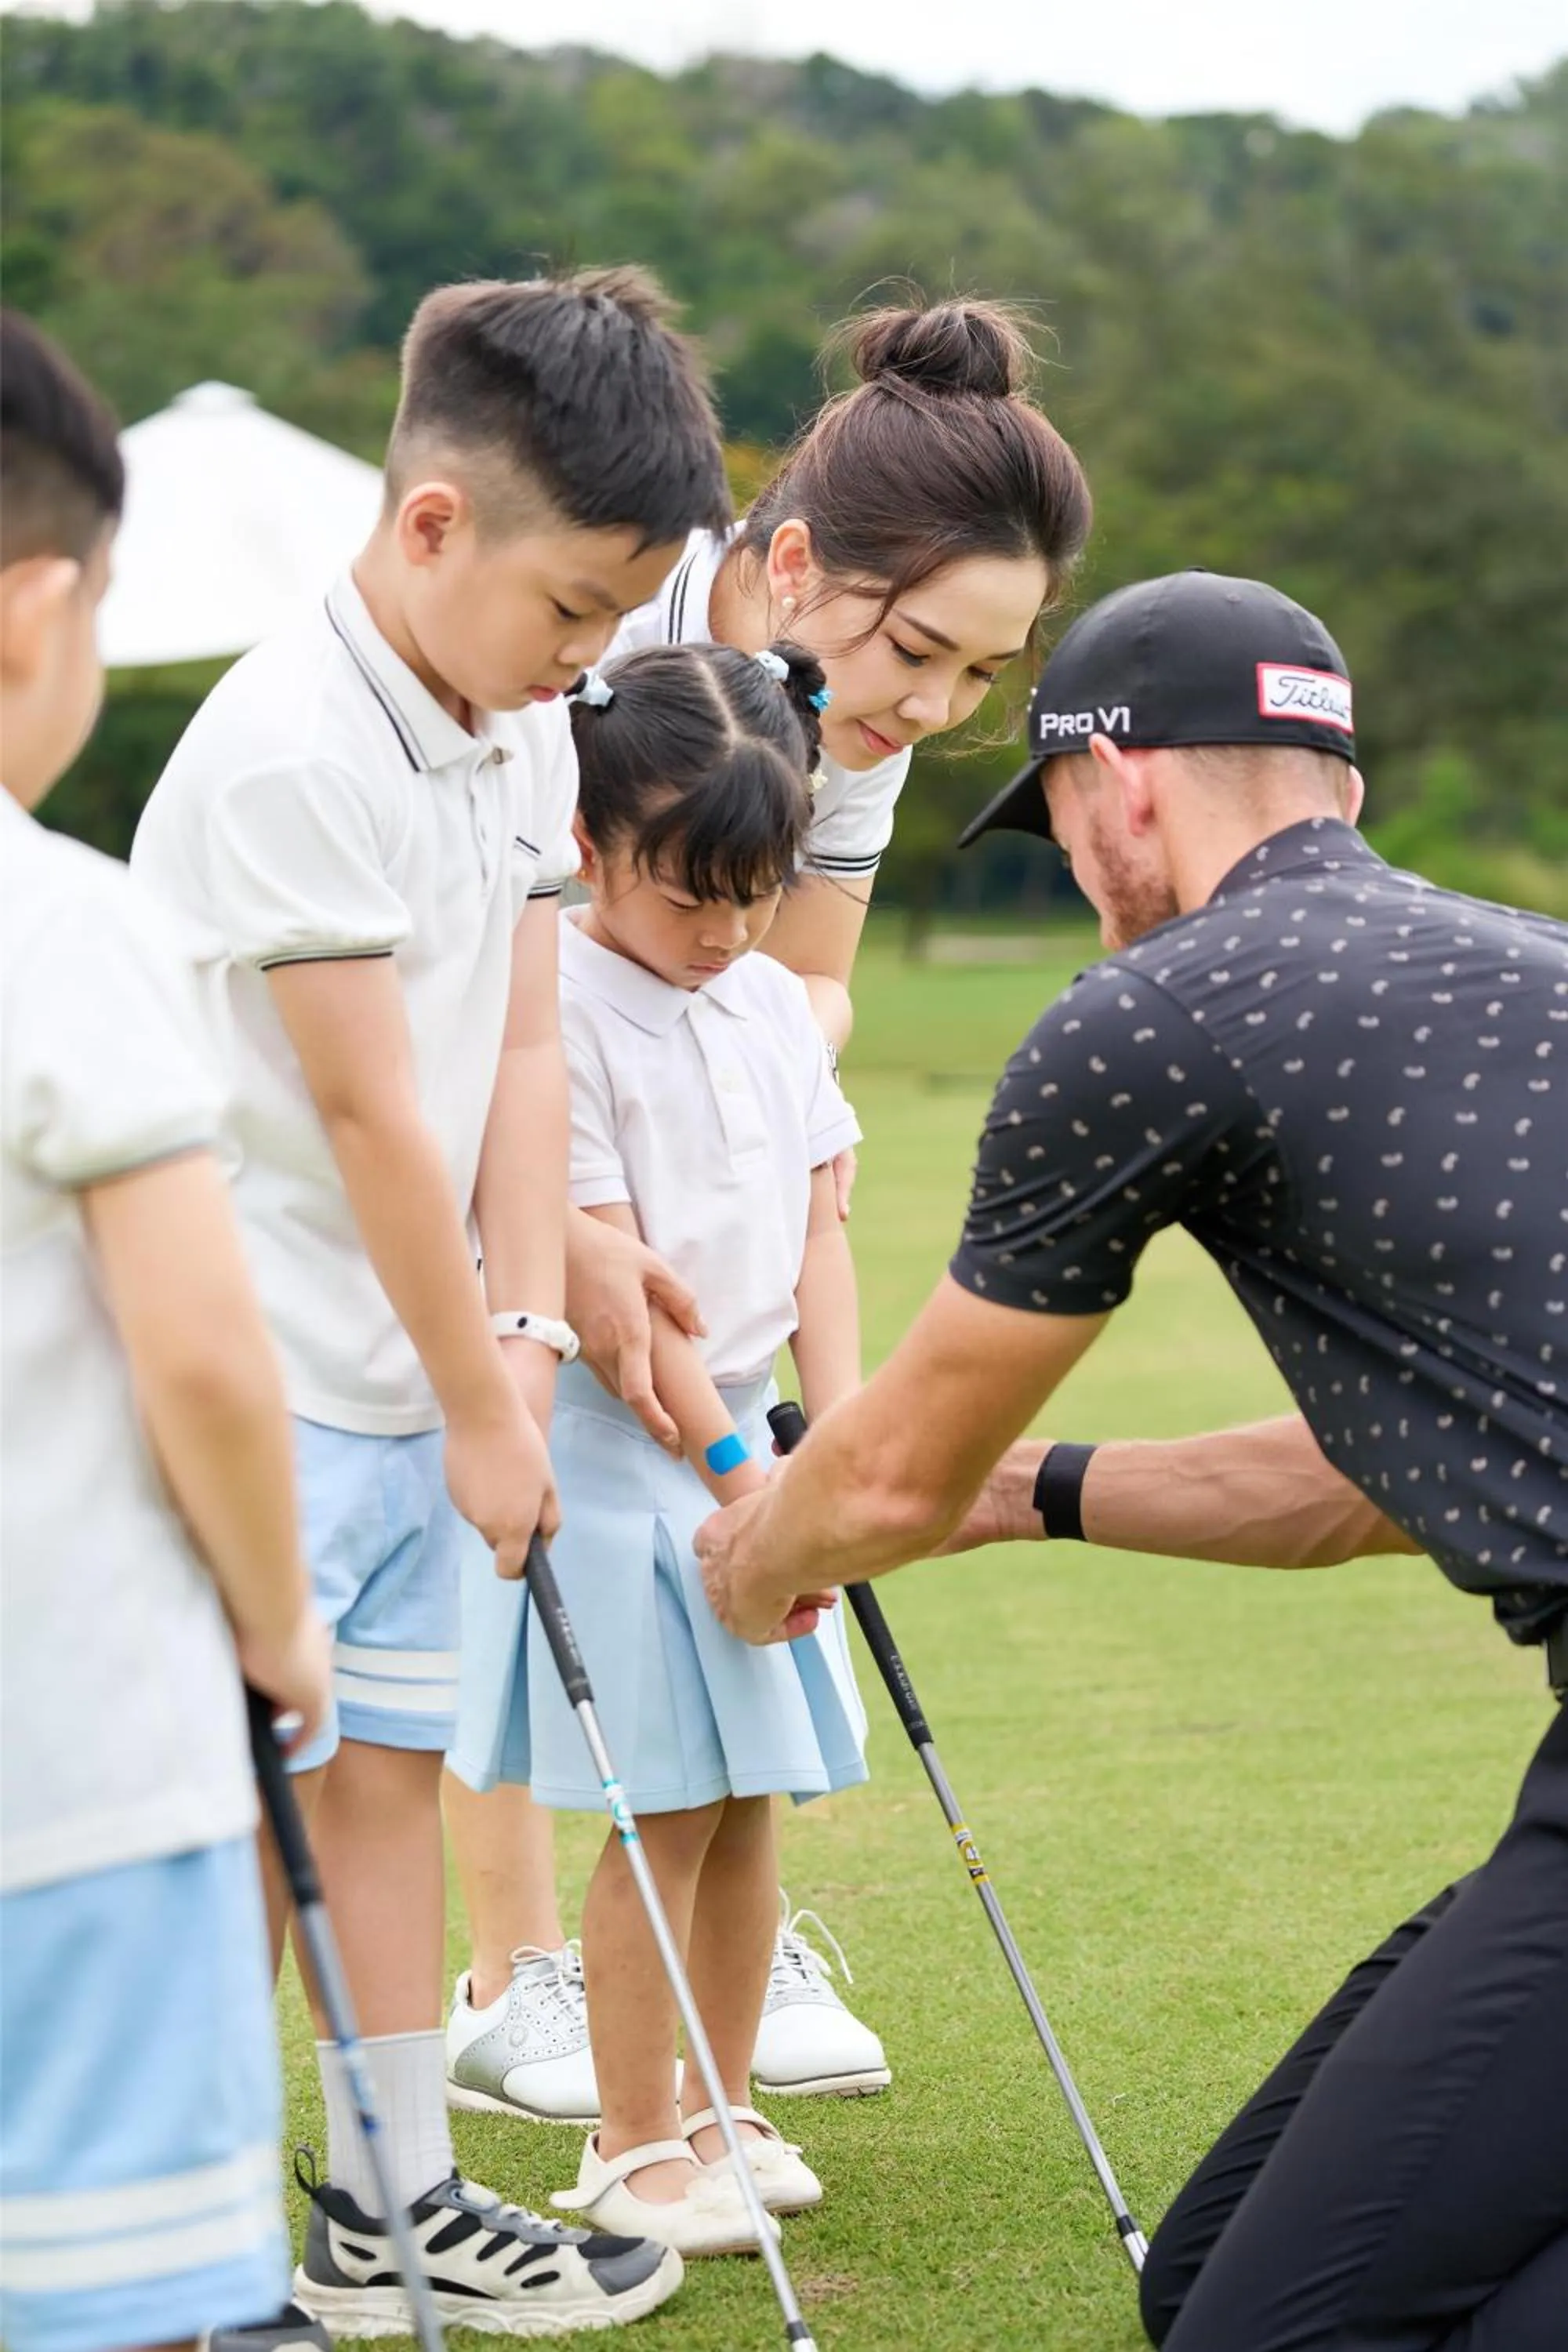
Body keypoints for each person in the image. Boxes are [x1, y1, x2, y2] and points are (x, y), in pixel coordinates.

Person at [696, 568, 1568, 2352]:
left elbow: (881, 1479)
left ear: (1120, 784)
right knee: (1205, 2276)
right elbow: (1370, 1486)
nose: (1082, 874)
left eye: (1060, 821)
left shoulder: (1151, 1018)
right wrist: (1031, 1493)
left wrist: (757, 1557)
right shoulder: (1531, 966)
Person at [131, 268, 732, 2338]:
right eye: (572, 606)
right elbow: (373, 1112)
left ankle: (388, 2206)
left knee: (383, 1786)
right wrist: (488, 1394)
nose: (587, 656)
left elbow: (525, 1048)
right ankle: (180, 2259)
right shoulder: (293, 747)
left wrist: (531, 1327)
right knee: (236, 1829)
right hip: (247, 1374)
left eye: (614, 620)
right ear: (432, 523)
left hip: (411, 1370)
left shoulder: (524, 716)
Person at [445, 292, 1094, 2118]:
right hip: (456, 1097)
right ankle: (518, 1974)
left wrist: (777, 1110)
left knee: (691, 1536)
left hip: (657, 1133)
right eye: (917, 650)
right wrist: (557, 1207)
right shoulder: (599, 618)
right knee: (517, 1514)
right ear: (791, 563)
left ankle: (716, 1938)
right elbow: (475, 951)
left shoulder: (849, 740)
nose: (931, 711)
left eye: (983, 675)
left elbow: (806, 980)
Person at [448, 639, 868, 2255]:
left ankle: (718, 2101)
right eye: (692, 893)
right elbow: (626, 1312)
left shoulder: (770, 1003)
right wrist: (749, 1484)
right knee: (668, 1813)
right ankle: (628, 2145)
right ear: (591, 842)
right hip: (633, 1451)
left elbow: (821, 1235)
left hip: (753, 1445)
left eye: (757, 895)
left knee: (753, 1800)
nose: (726, 930)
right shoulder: (552, 1010)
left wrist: (834, 1452)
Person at [0, 311, 331, 2352]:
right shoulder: (67, 922)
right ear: (37, 614)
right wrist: (282, 1620)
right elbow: (202, 1349)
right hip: (77, 1784)